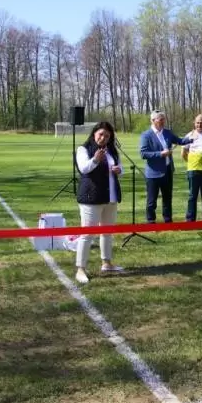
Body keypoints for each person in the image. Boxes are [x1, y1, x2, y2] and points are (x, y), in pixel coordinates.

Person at [73, 121, 124, 284]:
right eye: (101, 134)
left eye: (107, 136)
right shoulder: (83, 149)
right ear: (94, 133)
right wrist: (95, 159)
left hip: (111, 197)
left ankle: (107, 263)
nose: (103, 138)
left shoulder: (112, 150)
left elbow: (120, 167)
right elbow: (83, 168)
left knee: (107, 232)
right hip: (91, 198)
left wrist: (119, 170)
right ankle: (81, 269)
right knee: (87, 234)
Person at [139, 110, 192, 223]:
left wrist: (192, 138)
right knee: (152, 200)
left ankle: (168, 220)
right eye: (160, 119)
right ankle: (151, 221)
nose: (163, 121)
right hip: (153, 173)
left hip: (167, 171)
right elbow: (143, 154)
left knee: (167, 198)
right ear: (153, 120)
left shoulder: (167, 133)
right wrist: (161, 154)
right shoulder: (146, 135)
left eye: (164, 119)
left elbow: (180, 141)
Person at [181, 114, 202, 222]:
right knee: (192, 196)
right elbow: (183, 153)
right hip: (193, 170)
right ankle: (190, 219)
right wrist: (192, 162)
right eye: (197, 122)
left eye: (201, 122)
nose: (199, 125)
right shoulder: (189, 136)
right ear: (194, 123)